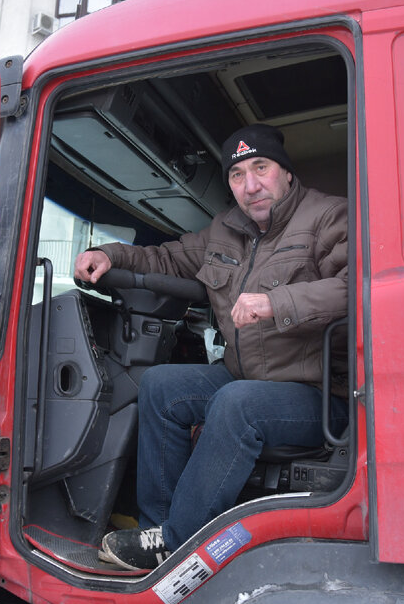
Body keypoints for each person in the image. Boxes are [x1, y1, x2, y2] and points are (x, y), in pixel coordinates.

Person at [73, 125, 350, 571]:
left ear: (286, 172)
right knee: (162, 385)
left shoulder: (328, 217)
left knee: (236, 403)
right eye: (238, 175)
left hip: (319, 393)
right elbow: (168, 256)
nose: (251, 185)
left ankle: (180, 539)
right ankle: (159, 532)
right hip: (247, 374)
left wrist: (276, 302)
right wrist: (111, 255)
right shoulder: (226, 229)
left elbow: (357, 287)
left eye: (261, 168)